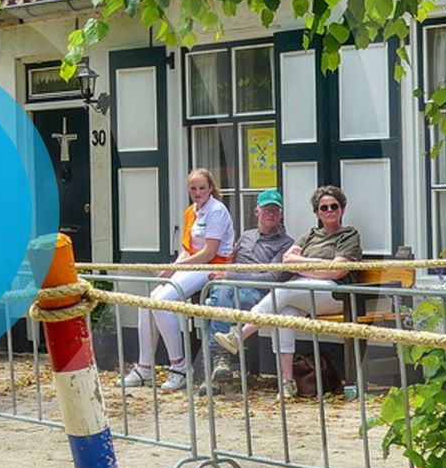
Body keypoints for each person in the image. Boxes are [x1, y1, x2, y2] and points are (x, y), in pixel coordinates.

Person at [215, 185, 362, 399]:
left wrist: (305, 266)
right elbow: (287, 260)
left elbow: (338, 271)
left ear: (342, 209)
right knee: (284, 316)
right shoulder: (310, 235)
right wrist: (322, 265)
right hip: (305, 290)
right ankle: (287, 382)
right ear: (316, 212)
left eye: (334, 206)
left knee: (283, 291)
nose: (329, 210)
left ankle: (240, 334)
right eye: (323, 208)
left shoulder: (349, 235)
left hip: (335, 294)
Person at [120, 168, 235, 391]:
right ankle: (145, 368)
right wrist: (171, 269)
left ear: (210, 188)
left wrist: (176, 268)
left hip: (212, 267)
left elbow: (209, 253)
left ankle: (180, 367)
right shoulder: (191, 211)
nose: (197, 192)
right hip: (193, 264)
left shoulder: (217, 211)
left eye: (202, 188)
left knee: (162, 303)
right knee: (148, 301)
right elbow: (186, 249)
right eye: (193, 188)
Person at [198, 189, 294, 394]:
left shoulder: (287, 244)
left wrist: (230, 276)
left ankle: (215, 370)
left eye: (275, 210)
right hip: (231, 289)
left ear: (281, 214)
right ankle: (218, 366)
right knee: (216, 300)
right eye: (266, 209)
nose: (271, 213)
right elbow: (229, 260)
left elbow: (271, 279)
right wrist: (223, 271)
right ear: (256, 211)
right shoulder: (246, 236)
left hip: (258, 296)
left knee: (216, 301)